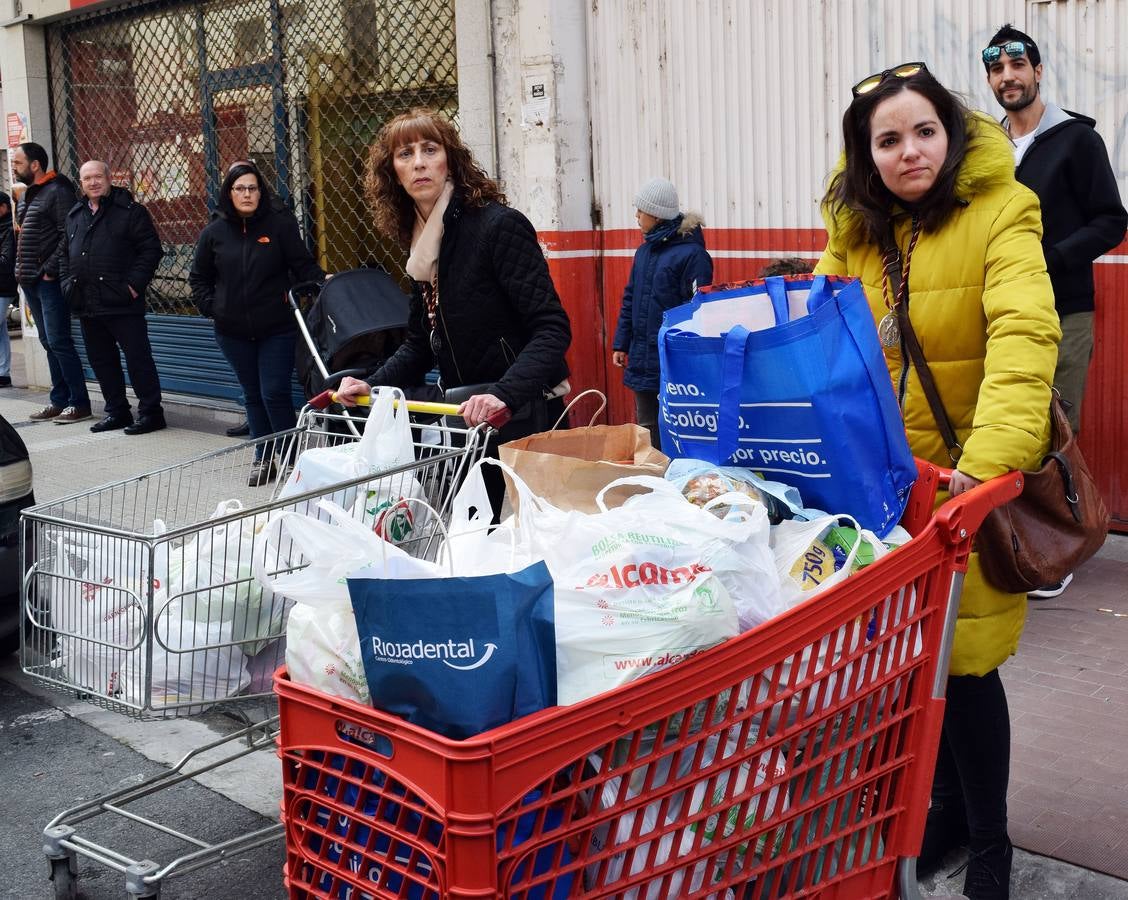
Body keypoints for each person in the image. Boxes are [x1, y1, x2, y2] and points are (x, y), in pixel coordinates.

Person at [814, 64, 1060, 900]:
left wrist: (984, 470)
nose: (909, 150)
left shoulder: (1002, 211)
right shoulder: (853, 236)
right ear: (867, 154)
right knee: (914, 667)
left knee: (967, 664)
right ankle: (944, 811)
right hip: (883, 490)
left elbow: (1026, 342)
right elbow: (824, 349)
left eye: (924, 131)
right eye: (888, 139)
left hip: (963, 484)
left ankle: (991, 841)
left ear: (952, 134)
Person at [335, 108, 572, 519]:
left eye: (430, 149)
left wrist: (503, 393)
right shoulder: (424, 248)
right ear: (392, 172)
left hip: (527, 415)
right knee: (473, 533)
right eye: (405, 154)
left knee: (534, 544)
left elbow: (551, 329)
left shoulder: (499, 228)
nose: (419, 162)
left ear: (451, 160)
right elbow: (418, 345)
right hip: (469, 419)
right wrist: (371, 386)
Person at [983, 24, 1127, 599]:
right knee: (1008, 423)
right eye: (996, 70)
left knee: (1055, 427)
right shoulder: (987, 148)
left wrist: (1052, 258)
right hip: (999, 313)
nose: (1007, 77)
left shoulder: (1076, 140)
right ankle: (1017, 539)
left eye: (1018, 66)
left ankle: (1059, 549)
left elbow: (1113, 219)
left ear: (1038, 72)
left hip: (1063, 310)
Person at [189, 160, 324, 486]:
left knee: (274, 392)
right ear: (229, 193)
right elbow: (198, 279)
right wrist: (216, 309)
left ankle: (292, 459)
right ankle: (264, 458)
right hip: (232, 332)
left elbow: (304, 266)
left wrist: (325, 284)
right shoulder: (214, 233)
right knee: (252, 394)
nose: (246, 194)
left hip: (276, 328)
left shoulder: (279, 226)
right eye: (240, 188)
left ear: (261, 192)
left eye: (252, 188)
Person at [58, 161, 166, 435]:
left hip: (122, 302)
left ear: (109, 178)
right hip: (87, 304)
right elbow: (63, 254)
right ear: (80, 184)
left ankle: (152, 414)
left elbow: (151, 250)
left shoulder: (130, 212)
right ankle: (117, 412)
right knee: (102, 361)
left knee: (138, 359)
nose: (93, 183)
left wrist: (133, 285)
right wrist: (67, 284)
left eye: (97, 177)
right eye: (86, 179)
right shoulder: (75, 214)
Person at [611, 177, 712, 450]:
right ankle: (654, 479)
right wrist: (621, 342)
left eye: (640, 211)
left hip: (673, 361)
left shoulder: (693, 255)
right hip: (643, 357)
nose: (636, 216)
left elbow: (698, 311)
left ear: (655, 214)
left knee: (676, 424)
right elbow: (630, 297)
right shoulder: (644, 252)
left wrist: (687, 358)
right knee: (647, 424)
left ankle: (676, 480)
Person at [13, 142, 89, 423]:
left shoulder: (58, 191)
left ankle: (79, 402)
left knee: (59, 340)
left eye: (18, 163)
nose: (14, 167)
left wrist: (49, 270)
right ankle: (59, 400)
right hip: (30, 280)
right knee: (47, 341)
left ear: (35, 165)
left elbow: (68, 233)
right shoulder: (27, 196)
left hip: (47, 280)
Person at [0, 192, 17, 387]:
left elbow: (6, 262)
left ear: (4, 207)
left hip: (3, 287)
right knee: (1, 330)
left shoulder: (8, 229)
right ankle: (3, 374)